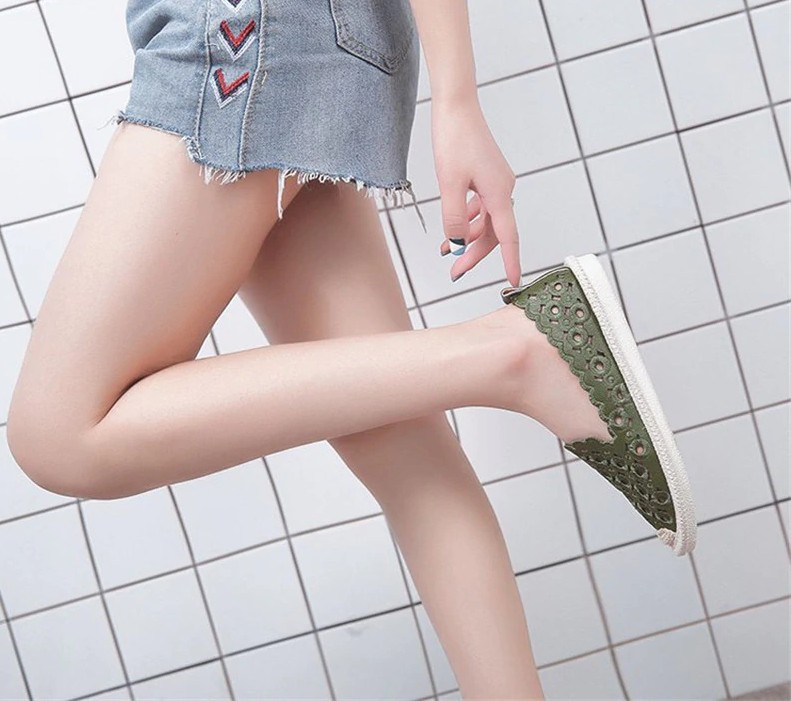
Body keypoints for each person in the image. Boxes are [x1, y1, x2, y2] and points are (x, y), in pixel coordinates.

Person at [6, 0, 696, 698]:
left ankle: (511, 353)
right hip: (298, 44)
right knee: (406, 458)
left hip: (242, 45)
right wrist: (454, 99)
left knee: (60, 437)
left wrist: (458, 103)